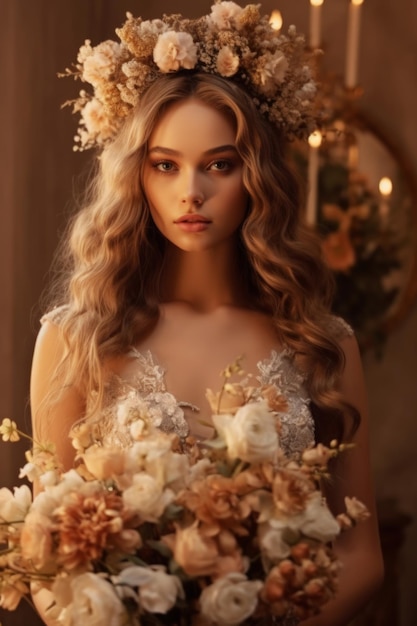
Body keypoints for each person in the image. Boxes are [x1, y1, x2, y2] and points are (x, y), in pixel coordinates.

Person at [30, 2, 383, 625]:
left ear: (257, 175)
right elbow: (45, 552)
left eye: (219, 164)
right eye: (165, 166)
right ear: (137, 176)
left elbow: (361, 556)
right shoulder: (73, 337)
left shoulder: (319, 343)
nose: (191, 191)